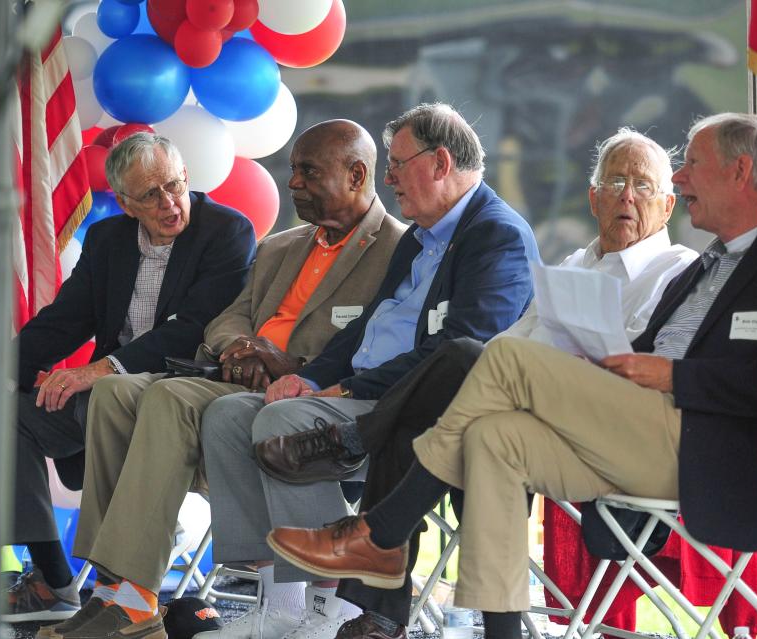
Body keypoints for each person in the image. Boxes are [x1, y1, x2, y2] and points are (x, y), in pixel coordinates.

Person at [267, 113, 757, 639]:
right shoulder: (704, 266)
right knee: (491, 435)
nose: (683, 177)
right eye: (615, 183)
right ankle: (500, 630)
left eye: (688, 166)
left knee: (477, 356)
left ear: (739, 172)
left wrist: (670, 375)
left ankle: (376, 516)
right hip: (601, 421)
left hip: (690, 441)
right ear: (592, 196)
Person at [39, 121, 405, 639]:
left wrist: (283, 360)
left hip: (313, 392)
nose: (292, 182)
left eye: (307, 171)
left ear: (356, 175)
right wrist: (241, 345)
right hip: (239, 378)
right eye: (295, 170)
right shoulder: (281, 246)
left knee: (166, 395)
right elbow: (228, 316)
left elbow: (375, 342)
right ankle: (112, 585)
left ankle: (137, 597)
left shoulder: (396, 249)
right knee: (115, 390)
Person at [197, 103, 539, 639]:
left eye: (399, 163)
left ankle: (329, 604)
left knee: (280, 423)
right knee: (226, 416)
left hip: (414, 408)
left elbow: (461, 355)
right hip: (358, 393)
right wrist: (310, 378)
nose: (389, 177)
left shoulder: (496, 237)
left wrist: (348, 386)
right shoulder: (419, 238)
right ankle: (280, 602)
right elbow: (362, 331)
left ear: (441, 162)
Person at [0, 133, 256, 623]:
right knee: (5, 416)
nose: (170, 202)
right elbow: (62, 321)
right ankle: (53, 580)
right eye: (151, 195)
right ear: (125, 203)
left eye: (175, 185)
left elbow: (194, 329)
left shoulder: (226, 231)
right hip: (105, 394)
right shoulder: (108, 239)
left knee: (107, 393)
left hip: (181, 391)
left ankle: (120, 588)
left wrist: (99, 369)